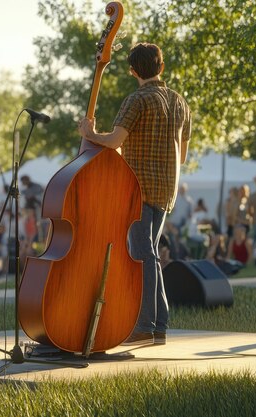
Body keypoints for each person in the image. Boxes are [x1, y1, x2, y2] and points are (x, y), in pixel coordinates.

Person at [78, 42, 191, 346]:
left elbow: (114, 141)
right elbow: (182, 157)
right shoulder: (180, 103)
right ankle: (158, 326)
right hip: (167, 189)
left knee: (143, 255)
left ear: (131, 71)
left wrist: (90, 135)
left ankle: (145, 325)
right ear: (161, 67)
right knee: (150, 254)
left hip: (138, 188)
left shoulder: (136, 100)